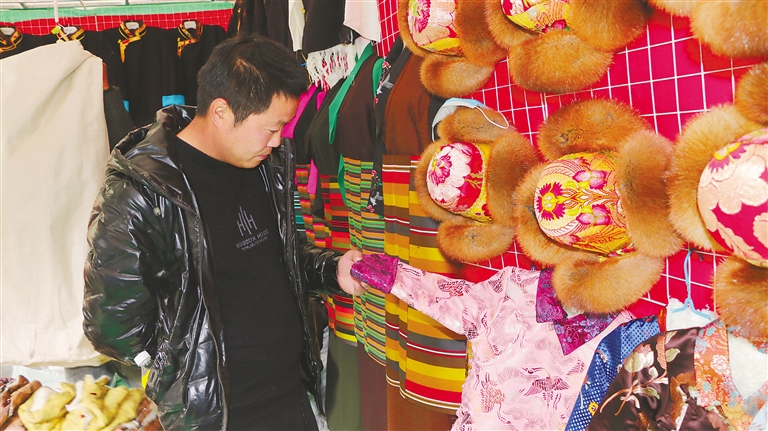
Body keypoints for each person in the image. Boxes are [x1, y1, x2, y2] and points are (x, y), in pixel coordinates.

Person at [83, 35, 366, 431]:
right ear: (221, 112)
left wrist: (332, 270)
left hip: (291, 397)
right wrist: (176, 365)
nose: (278, 140)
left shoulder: (265, 166)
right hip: (217, 417)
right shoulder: (141, 192)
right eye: (271, 128)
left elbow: (279, 259)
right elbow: (110, 325)